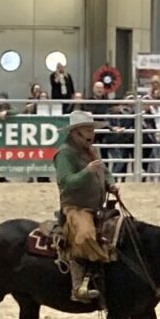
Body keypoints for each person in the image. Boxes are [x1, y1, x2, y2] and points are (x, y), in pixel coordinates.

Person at [53, 110, 118, 303]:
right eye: (87, 130)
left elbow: (104, 171)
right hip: (75, 207)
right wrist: (86, 173)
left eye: (92, 129)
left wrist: (111, 183)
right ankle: (78, 287)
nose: (91, 134)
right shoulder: (64, 154)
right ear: (75, 133)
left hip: (98, 206)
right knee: (84, 235)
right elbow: (66, 182)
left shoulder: (92, 150)